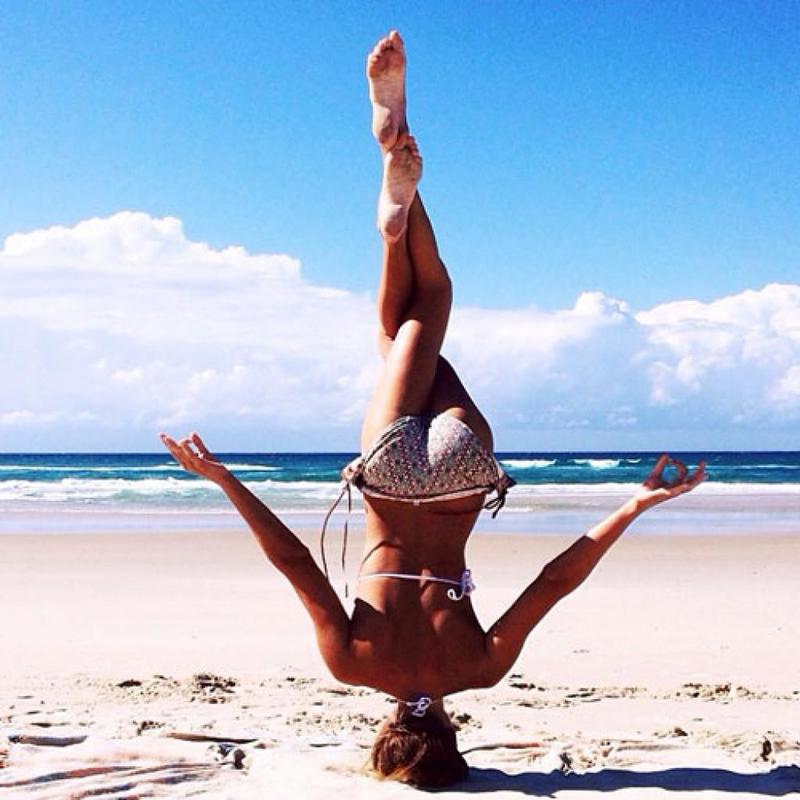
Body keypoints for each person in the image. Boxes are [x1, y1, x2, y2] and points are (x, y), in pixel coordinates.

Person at [160, 30, 706, 790]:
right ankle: (392, 202)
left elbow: (555, 580)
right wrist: (224, 480)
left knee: (418, 321)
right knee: (410, 321)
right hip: (388, 479)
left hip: (460, 476)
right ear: (387, 735)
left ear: (452, 736)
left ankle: (397, 187)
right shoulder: (352, 664)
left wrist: (636, 505)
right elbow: (294, 562)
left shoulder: (477, 670)